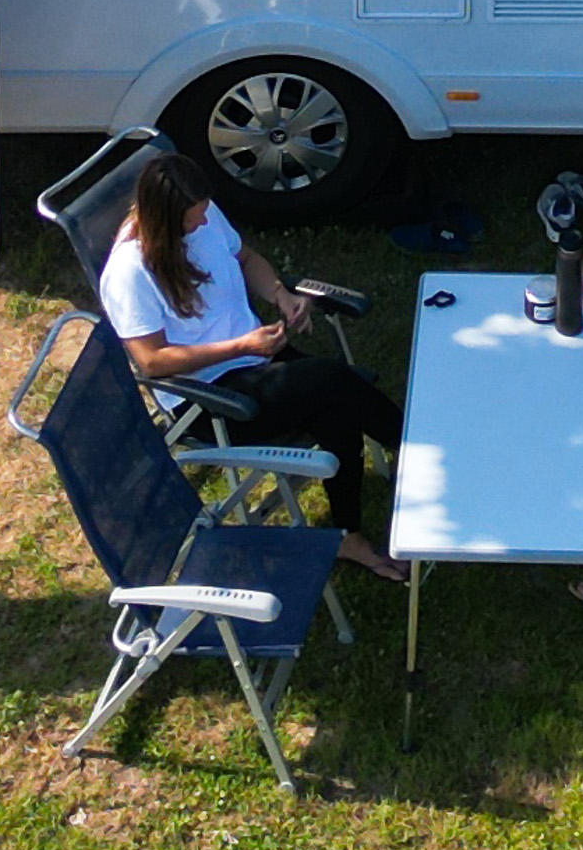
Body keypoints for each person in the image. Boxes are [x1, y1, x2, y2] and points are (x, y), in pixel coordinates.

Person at [99, 151, 407, 584]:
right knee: (334, 381)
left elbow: (247, 260)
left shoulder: (204, 219)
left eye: (205, 213)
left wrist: (281, 295)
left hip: (255, 357)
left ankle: (348, 535)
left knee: (336, 408)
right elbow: (151, 361)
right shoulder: (129, 273)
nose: (203, 224)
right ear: (162, 219)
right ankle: (420, 459)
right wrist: (238, 346)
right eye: (193, 218)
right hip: (212, 397)